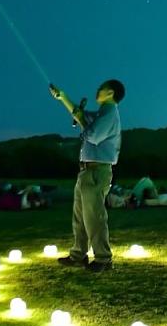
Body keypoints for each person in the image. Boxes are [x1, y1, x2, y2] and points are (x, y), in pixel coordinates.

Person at [50, 79, 124, 273]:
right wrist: (63, 98)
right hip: (86, 171)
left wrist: (82, 121)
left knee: (94, 217)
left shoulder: (109, 112)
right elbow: (79, 113)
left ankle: (103, 259)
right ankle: (78, 255)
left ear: (111, 93)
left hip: (97, 170)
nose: (97, 90)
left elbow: (93, 135)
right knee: (80, 217)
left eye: (102, 88)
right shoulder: (102, 113)